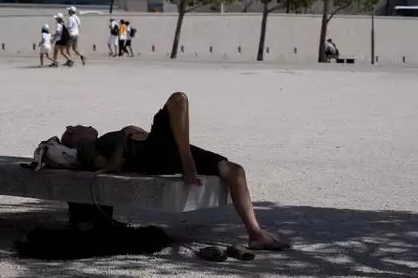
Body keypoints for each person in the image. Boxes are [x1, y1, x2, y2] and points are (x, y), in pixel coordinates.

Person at [60, 92, 289, 251]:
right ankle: (187, 160)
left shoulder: (102, 139)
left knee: (235, 171)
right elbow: (112, 167)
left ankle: (255, 233)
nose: (85, 125)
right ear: (72, 133)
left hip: (164, 148)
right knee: (179, 99)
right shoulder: (88, 148)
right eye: (78, 126)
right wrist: (124, 136)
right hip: (148, 156)